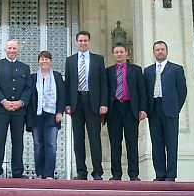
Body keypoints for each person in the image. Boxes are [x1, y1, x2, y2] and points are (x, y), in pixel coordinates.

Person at [65, 30, 108, 180]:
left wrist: (104, 103)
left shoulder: (98, 60)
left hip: (93, 103)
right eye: (80, 41)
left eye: (85, 41)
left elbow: (103, 83)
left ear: (89, 42)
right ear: (76, 42)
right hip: (77, 103)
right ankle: (81, 172)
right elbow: (68, 84)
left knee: (94, 138)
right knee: (78, 139)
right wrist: (67, 104)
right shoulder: (70, 60)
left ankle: (97, 172)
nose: (83, 43)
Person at [0, 39, 32, 178]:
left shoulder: (25, 67)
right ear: (5, 49)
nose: (12, 51)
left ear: (18, 50)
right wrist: (3, 101)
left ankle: (17, 172)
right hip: (0, 110)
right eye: (9, 48)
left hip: (19, 111)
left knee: (18, 142)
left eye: (14, 48)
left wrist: (21, 102)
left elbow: (28, 88)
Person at [144, 41, 187, 182]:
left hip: (170, 110)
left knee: (171, 143)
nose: (160, 52)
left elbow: (182, 91)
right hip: (154, 109)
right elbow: (145, 92)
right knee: (157, 143)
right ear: (154, 52)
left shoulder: (176, 69)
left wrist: (175, 108)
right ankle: (160, 174)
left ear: (167, 51)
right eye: (157, 50)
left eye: (162, 49)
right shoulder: (148, 71)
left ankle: (171, 175)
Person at [106, 43, 147, 181]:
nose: (119, 54)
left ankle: (134, 174)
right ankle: (116, 174)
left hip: (131, 109)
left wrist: (142, 109)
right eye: (116, 52)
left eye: (121, 52)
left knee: (131, 142)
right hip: (114, 110)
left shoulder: (136, 70)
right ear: (113, 54)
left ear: (126, 53)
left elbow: (142, 91)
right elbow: (105, 92)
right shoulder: (108, 71)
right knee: (115, 143)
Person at [26, 51, 65, 179]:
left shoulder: (57, 76)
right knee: (38, 145)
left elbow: (62, 95)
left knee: (51, 144)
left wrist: (60, 111)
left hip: (52, 115)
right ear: (38, 61)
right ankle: (40, 172)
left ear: (51, 61)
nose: (44, 61)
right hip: (36, 115)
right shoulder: (32, 77)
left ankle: (49, 174)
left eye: (47, 59)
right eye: (42, 59)